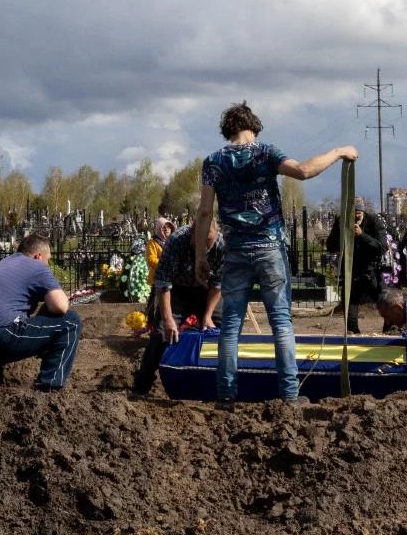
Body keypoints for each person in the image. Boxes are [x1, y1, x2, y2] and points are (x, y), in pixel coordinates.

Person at [195, 101, 358, 410]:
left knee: (231, 325)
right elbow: (304, 171)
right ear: (253, 126)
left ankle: (225, 396)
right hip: (269, 248)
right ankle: (290, 396)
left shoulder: (213, 162)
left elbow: (204, 212)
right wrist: (339, 151)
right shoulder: (266, 153)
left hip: (235, 252)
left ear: (227, 130)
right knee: (281, 322)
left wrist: (200, 257)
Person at [0, 234, 81, 390]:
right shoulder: (37, 266)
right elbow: (61, 306)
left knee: (6, 323)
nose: (47, 265)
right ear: (38, 256)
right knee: (70, 322)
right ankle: (50, 386)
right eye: (48, 260)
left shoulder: (2, 264)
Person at [131, 219, 224, 396]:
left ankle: (217, 382)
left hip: (207, 291)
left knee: (221, 328)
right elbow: (163, 282)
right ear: (192, 237)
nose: (205, 249)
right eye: (201, 244)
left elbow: (218, 285)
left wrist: (208, 315)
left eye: (208, 244)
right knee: (160, 333)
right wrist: (168, 319)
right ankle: (142, 385)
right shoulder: (177, 241)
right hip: (177, 290)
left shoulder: (221, 244)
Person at [325, 197, 388, 334]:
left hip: (371, 269)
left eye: (359, 213)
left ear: (363, 212)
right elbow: (330, 245)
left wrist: (362, 235)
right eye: (354, 213)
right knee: (350, 302)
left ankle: (389, 328)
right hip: (351, 269)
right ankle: (353, 332)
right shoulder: (342, 221)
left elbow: (382, 247)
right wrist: (343, 234)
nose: (356, 216)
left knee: (382, 300)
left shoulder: (374, 221)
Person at [146, 217, 175, 287]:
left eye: (168, 227)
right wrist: (165, 265)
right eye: (163, 227)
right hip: (157, 279)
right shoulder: (153, 242)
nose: (166, 229)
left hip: (172, 279)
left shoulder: (173, 242)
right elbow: (151, 259)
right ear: (159, 229)